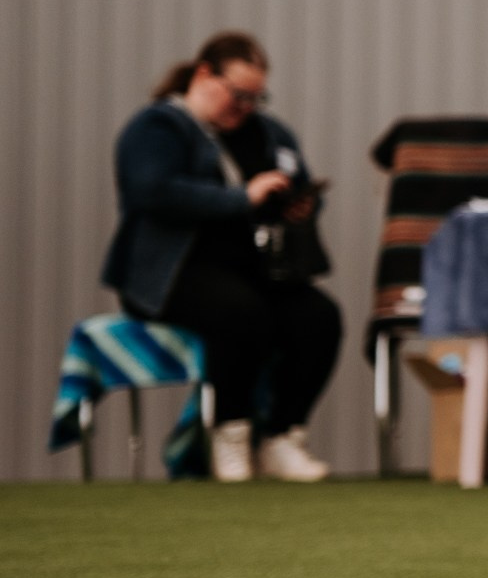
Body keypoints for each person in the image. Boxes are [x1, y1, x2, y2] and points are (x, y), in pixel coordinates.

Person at [101, 31, 343, 482]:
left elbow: (296, 180)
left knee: (318, 316)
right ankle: (231, 437)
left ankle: (282, 437)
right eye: (238, 94)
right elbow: (151, 191)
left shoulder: (270, 133)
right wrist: (241, 198)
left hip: (252, 270)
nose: (246, 106)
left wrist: (302, 205)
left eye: (256, 97)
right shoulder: (157, 127)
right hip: (172, 275)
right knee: (239, 311)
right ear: (204, 74)